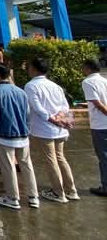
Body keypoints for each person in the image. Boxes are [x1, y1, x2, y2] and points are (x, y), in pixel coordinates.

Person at [24, 57, 78, 203]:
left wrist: (53, 119)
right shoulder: (55, 86)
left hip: (45, 129)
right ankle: (71, 190)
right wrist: (60, 118)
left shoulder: (31, 86)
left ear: (34, 69)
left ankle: (58, 193)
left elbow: (37, 108)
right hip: (60, 128)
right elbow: (65, 106)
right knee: (60, 158)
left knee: (51, 160)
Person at [0, 63, 39, 210]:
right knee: (26, 165)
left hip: (4, 134)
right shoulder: (20, 91)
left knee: (8, 166)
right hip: (22, 134)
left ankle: (12, 197)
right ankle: (33, 196)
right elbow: (27, 114)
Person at [82, 58, 107, 197]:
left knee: (104, 156)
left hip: (100, 125)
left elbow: (98, 104)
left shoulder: (88, 82)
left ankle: (106, 187)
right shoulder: (104, 80)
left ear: (88, 68)